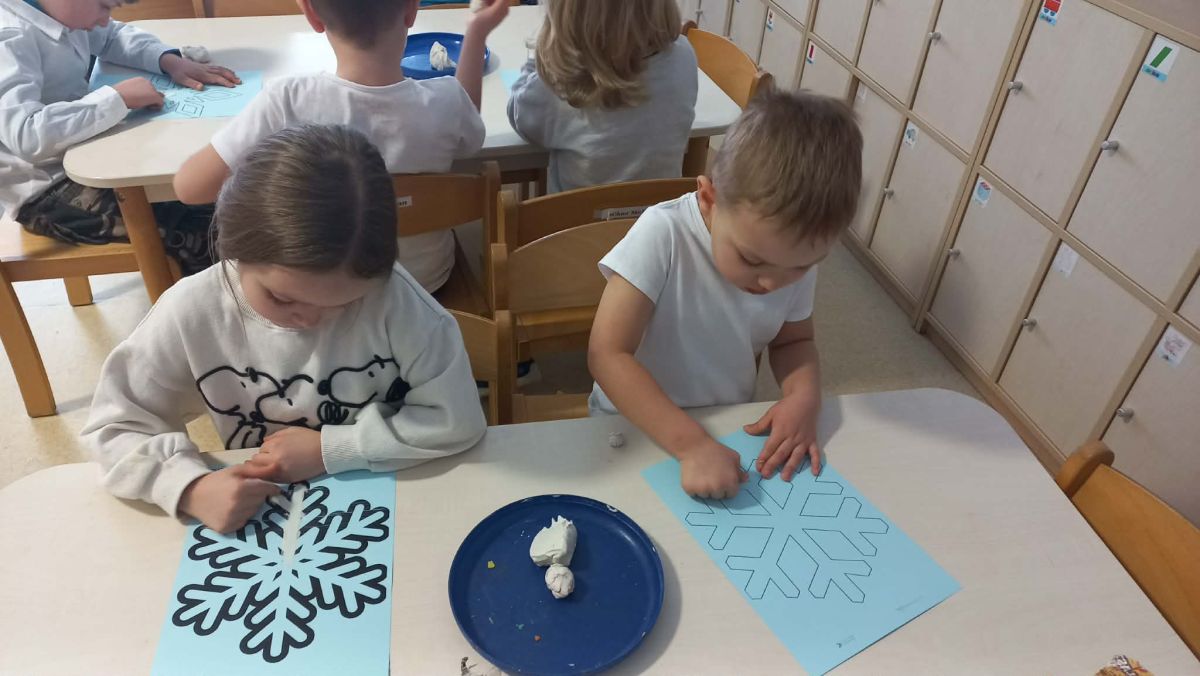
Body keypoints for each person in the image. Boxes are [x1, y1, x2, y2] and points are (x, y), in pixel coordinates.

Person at [83, 125, 487, 533]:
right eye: (281, 298)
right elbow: (113, 427)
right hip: (265, 518)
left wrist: (333, 450)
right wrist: (189, 487)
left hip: (393, 502)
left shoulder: (397, 302)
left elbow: (458, 420)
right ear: (233, 249)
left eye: (345, 303)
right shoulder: (191, 310)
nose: (309, 320)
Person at [588, 90, 863, 499]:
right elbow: (607, 354)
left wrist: (803, 397)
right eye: (751, 259)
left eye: (800, 267)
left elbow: (794, 341)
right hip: (631, 426)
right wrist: (690, 444)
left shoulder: (790, 259)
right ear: (709, 199)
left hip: (722, 425)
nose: (771, 284)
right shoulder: (663, 233)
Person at [173, 0, 509, 293]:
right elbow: (469, 134)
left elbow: (189, 187)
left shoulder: (286, 101)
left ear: (311, 13)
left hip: (326, 298)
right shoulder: (447, 101)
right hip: (427, 285)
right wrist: (476, 33)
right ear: (412, 8)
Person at [1, 0, 239, 273]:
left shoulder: (62, 13)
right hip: (48, 193)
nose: (106, 19)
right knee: (206, 233)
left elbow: (111, 36)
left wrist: (168, 60)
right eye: (104, 6)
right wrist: (117, 99)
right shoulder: (8, 37)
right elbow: (26, 134)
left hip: (87, 152)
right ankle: (214, 296)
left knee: (222, 199)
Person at [507, 0, 697, 194]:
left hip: (578, 214)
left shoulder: (560, 82)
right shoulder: (683, 56)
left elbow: (519, 115)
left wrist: (535, 59)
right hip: (661, 211)